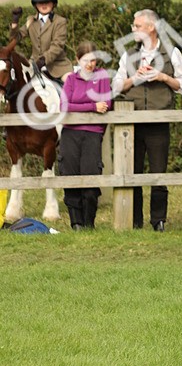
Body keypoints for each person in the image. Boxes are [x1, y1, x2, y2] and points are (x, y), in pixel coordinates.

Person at [112, 8, 182, 230]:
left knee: (158, 173)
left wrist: (163, 77)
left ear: (151, 28)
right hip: (132, 123)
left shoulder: (171, 52)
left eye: (136, 26)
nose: (133, 30)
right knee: (132, 173)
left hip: (158, 121)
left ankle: (158, 221)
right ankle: (134, 221)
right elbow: (116, 87)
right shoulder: (128, 55)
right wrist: (135, 78)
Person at [59, 41, 111, 230]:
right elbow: (64, 106)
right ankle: (76, 223)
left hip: (92, 133)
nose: (90, 64)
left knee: (91, 176)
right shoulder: (71, 79)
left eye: (93, 60)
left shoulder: (102, 76)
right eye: (86, 60)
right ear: (78, 60)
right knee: (70, 175)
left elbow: (106, 104)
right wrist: (91, 106)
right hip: (70, 133)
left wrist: (90, 107)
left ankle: (89, 222)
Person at [9, 0, 71, 81]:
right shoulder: (31, 21)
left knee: (70, 83)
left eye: (47, 2)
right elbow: (15, 39)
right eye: (40, 3)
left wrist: (43, 60)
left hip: (58, 66)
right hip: (34, 65)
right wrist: (15, 22)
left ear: (53, 4)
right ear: (35, 5)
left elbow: (57, 46)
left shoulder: (60, 22)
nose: (44, 5)